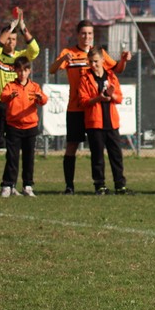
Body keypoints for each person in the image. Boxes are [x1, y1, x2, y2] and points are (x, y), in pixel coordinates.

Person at [49, 19, 130, 194]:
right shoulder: (69, 52)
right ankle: (69, 186)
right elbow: (52, 70)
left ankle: (112, 183)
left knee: (101, 149)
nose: (87, 37)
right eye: (84, 33)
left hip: (96, 110)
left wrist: (123, 60)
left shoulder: (99, 53)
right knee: (72, 146)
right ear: (78, 35)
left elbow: (117, 69)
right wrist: (63, 59)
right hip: (77, 108)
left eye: (90, 33)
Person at [0, 9, 39, 197]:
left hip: (14, 109)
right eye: (8, 38)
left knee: (14, 150)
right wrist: (10, 27)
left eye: (13, 39)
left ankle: (10, 185)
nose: (10, 41)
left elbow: (35, 50)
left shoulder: (21, 57)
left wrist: (23, 28)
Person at [80, 48, 130, 195]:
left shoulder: (111, 76)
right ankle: (99, 185)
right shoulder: (85, 78)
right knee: (97, 156)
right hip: (95, 122)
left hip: (111, 122)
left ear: (103, 60)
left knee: (116, 155)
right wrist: (98, 98)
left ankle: (120, 185)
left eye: (96, 61)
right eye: (91, 62)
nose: (93, 64)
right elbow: (83, 101)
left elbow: (119, 98)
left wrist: (111, 95)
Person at [0, 55, 47, 198]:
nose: (22, 73)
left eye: (25, 70)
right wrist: (10, 96)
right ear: (15, 71)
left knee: (29, 157)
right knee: (12, 157)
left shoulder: (34, 86)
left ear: (29, 71)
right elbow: (3, 96)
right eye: (19, 71)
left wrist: (40, 98)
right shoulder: (11, 86)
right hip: (14, 126)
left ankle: (27, 185)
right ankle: (8, 185)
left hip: (30, 127)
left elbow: (44, 99)